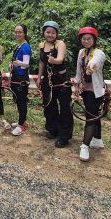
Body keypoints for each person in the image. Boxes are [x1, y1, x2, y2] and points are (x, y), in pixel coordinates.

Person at [38, 20, 74, 148]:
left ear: (56, 34)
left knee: (64, 107)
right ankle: (53, 130)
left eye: (53, 32)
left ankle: (64, 136)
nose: (50, 35)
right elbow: (41, 62)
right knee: (49, 106)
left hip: (61, 80)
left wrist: (54, 60)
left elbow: (60, 59)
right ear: (44, 33)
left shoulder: (60, 44)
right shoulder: (42, 45)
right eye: (48, 32)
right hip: (48, 80)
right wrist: (39, 77)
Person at [74, 27, 107, 162]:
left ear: (94, 40)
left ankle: (85, 145)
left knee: (90, 117)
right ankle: (97, 140)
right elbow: (78, 71)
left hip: (96, 90)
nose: (86, 41)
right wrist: (76, 84)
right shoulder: (81, 52)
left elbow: (96, 62)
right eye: (84, 39)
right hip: (86, 89)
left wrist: (91, 67)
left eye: (89, 39)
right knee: (93, 114)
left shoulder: (99, 53)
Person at [8, 24, 32, 136]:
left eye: (20, 32)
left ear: (24, 33)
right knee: (17, 100)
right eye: (16, 32)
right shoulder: (18, 46)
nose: (17, 34)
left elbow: (26, 65)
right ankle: (22, 121)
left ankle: (22, 125)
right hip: (16, 77)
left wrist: (18, 63)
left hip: (21, 78)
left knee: (21, 102)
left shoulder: (26, 46)